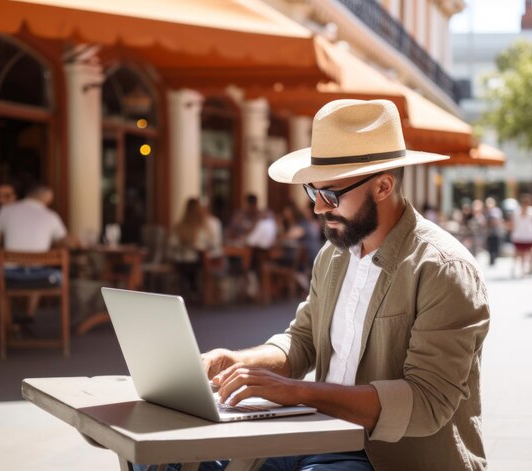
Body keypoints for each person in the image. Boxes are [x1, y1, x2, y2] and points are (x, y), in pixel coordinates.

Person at [190, 100, 489, 471]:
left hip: (385, 455)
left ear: (383, 186)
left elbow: (427, 403)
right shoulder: (334, 256)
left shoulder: (443, 269)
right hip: (314, 433)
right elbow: (302, 341)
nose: (317, 208)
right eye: (312, 192)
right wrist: (238, 361)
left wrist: (298, 392)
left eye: (330, 195)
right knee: (170, 460)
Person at [0, 183, 76, 285]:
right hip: (41, 275)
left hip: (9, 275)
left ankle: (7, 301)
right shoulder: (51, 215)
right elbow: (69, 243)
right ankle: (32, 302)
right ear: (47, 197)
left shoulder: (5, 210)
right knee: (52, 275)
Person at [168, 197, 223, 299]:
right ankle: (195, 290)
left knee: (188, 269)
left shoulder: (180, 225)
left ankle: (190, 288)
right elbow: (206, 244)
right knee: (199, 265)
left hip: (180, 260)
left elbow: (172, 243)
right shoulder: (201, 227)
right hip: (195, 260)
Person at [508, 193, 532, 277]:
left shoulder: (518, 211)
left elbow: (512, 224)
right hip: (527, 235)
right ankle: (527, 269)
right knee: (527, 253)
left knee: (520, 253)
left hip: (521, 235)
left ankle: (521, 269)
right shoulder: (531, 211)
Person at [484, 197, 504, 266]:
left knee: (495, 247)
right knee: (490, 247)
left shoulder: (496, 211)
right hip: (489, 233)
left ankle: (494, 259)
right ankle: (491, 259)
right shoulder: (486, 212)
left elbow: (497, 221)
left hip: (496, 232)